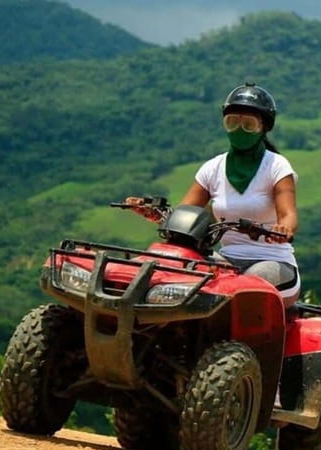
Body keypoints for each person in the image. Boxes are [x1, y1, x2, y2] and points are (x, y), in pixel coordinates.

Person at [128, 82, 300, 307]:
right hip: (226, 257)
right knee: (176, 272)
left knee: (244, 287)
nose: (239, 130)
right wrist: (157, 214)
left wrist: (283, 229)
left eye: (248, 124)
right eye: (232, 123)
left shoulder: (277, 166)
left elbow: (289, 215)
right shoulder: (213, 167)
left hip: (271, 259)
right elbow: (185, 213)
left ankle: (237, 344)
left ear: (263, 128)